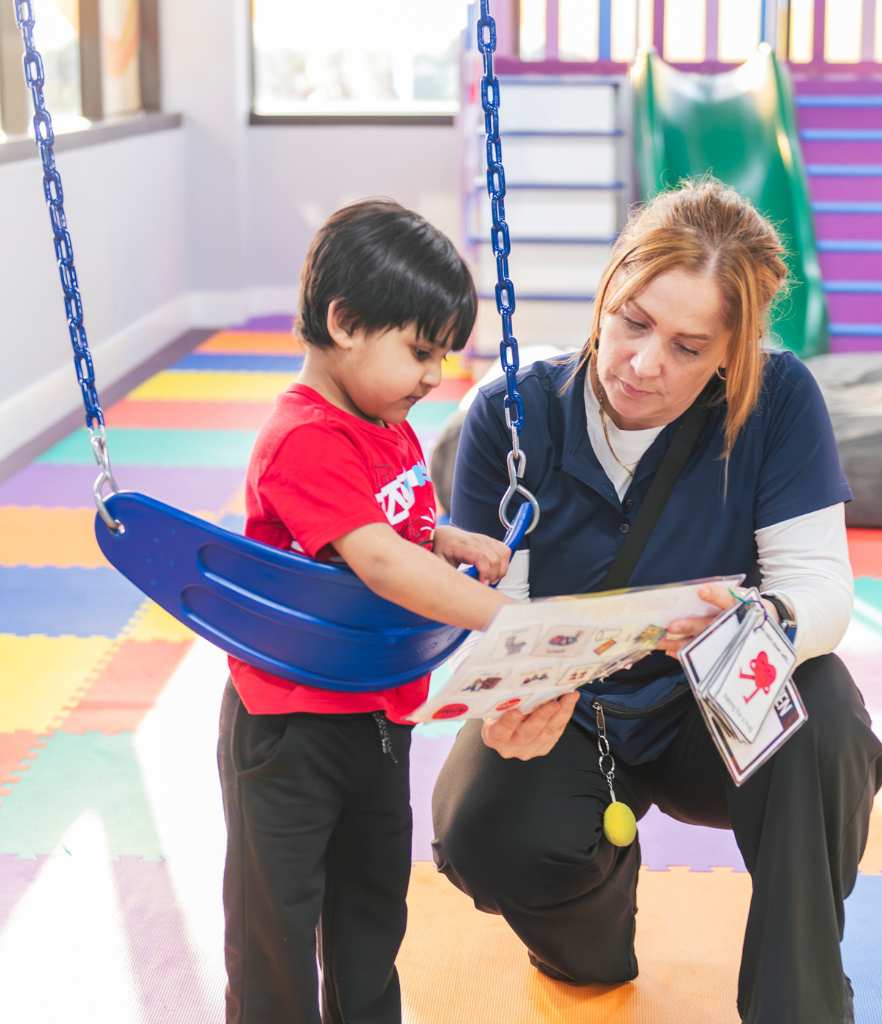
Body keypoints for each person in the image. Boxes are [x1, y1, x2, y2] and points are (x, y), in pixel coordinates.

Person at [431, 178, 882, 1024]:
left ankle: (802, 1003)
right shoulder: (509, 414)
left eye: (688, 346)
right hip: (572, 719)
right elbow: (495, 615)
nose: (645, 365)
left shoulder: (779, 401)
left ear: (731, 354)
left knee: (823, 714)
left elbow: (818, 584)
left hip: (708, 718)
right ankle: (593, 926)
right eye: (634, 323)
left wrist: (767, 627)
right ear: (607, 295)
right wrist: (506, 706)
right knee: (480, 833)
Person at [216, 199, 573, 1024]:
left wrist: (447, 536)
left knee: (372, 908)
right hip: (290, 725)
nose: (434, 376)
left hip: (377, 715)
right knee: (278, 915)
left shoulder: (383, 421)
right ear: (344, 323)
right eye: (420, 350)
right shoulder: (304, 435)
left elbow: (394, 524)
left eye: (443, 355)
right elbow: (375, 558)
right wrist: (499, 617)